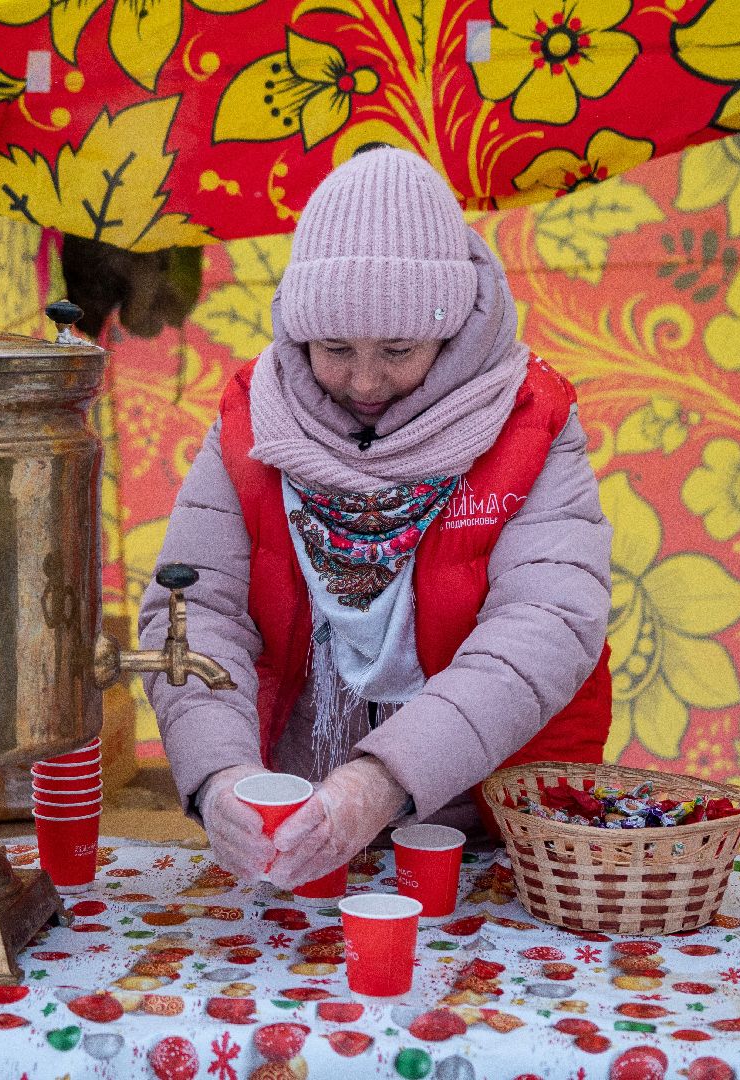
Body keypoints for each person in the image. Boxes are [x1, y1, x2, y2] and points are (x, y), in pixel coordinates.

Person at [137, 147, 613, 891]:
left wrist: (384, 779)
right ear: (297, 332)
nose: (364, 382)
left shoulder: (529, 419)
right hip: (296, 838)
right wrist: (219, 773)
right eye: (334, 349)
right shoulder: (252, 422)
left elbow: (549, 624)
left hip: (488, 838)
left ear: (452, 332)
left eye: (398, 350)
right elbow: (197, 612)